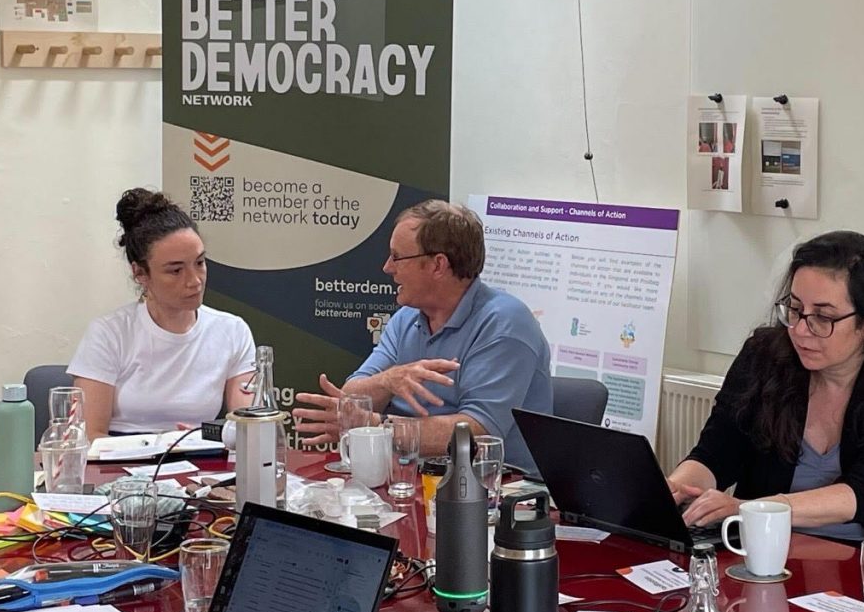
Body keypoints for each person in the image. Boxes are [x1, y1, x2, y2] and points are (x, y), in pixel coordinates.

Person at [663, 231, 864, 559]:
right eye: (795, 309)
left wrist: (748, 509)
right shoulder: (763, 356)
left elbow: (863, 494)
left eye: (823, 317)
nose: (801, 330)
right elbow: (716, 454)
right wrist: (674, 489)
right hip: (766, 553)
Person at [291, 200, 552, 470]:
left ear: (438, 265)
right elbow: (351, 398)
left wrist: (376, 426)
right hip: (411, 476)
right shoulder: (407, 318)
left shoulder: (505, 324)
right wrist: (389, 380)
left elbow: (476, 433)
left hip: (498, 492)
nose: (387, 267)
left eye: (398, 257)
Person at [69, 188, 259, 434]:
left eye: (200, 263)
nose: (195, 281)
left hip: (198, 464)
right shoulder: (109, 333)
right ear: (140, 273)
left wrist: (206, 440)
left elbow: (249, 428)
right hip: (117, 466)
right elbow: (88, 438)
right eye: (175, 270)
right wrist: (158, 447)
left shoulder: (232, 331)